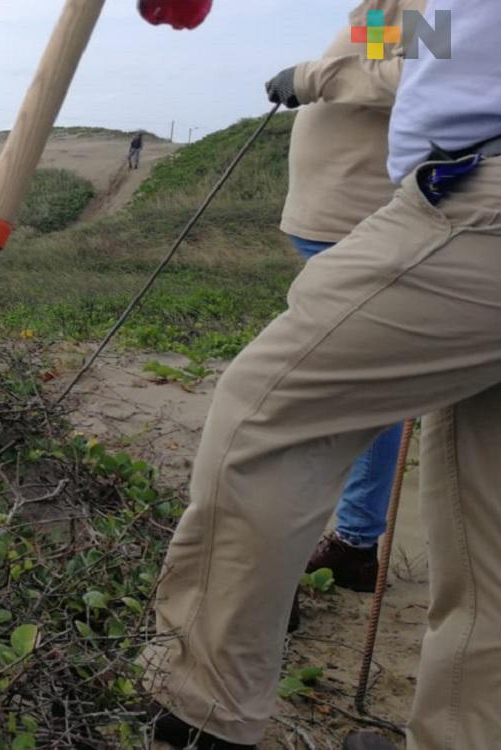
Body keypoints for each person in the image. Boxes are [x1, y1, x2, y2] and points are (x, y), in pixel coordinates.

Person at [141, 2, 501, 749]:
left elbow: (398, 58)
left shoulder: (399, 8)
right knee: (483, 518)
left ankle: (204, 714)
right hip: (437, 210)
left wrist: (310, 75)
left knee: (264, 417)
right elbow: (421, 43)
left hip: (467, 213)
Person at [270, 0, 425, 610]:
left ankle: (316, 556)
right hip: (337, 222)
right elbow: (378, 61)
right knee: (361, 390)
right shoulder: (388, 3)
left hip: (359, 224)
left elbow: (413, 78)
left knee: (322, 391)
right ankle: (355, 545)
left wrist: (309, 77)